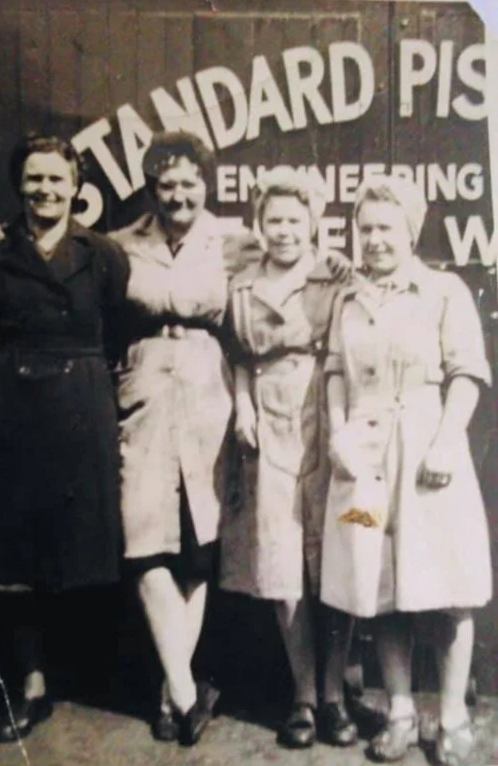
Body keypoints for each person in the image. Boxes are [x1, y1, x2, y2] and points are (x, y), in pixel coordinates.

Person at [320, 175, 492, 764]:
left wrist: (447, 441)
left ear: (410, 231)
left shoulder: (444, 291)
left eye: (385, 228)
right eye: (364, 229)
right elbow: (335, 373)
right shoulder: (348, 300)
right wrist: (339, 431)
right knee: (378, 585)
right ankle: (396, 710)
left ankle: (450, 716)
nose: (373, 240)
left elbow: (466, 374)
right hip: (365, 459)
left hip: (426, 451)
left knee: (447, 588)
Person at [0, 133, 130, 742]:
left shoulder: (102, 254)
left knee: (82, 546)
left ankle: (100, 680)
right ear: (19, 187)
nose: (45, 190)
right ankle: (32, 683)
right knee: (11, 558)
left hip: (79, 407)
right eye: (34, 180)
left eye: (56, 179)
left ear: (77, 188)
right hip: (10, 411)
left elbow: (116, 330)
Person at [220, 167, 357, 749]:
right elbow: (237, 357)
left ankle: (334, 694)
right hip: (270, 427)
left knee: (346, 549)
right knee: (281, 566)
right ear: (260, 224)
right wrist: (242, 405)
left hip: (331, 421)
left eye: (293, 220)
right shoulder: (242, 287)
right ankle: (302, 696)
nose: (283, 231)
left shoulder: (337, 278)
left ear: (312, 223)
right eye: (272, 220)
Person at [110, 131, 234, 746]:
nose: (178, 193)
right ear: (152, 188)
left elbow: (301, 259)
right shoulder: (120, 244)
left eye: (189, 182)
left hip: (208, 399)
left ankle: (170, 696)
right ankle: (186, 691)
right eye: (167, 183)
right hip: (145, 398)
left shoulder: (233, 239)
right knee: (142, 543)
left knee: (197, 547)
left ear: (205, 185)